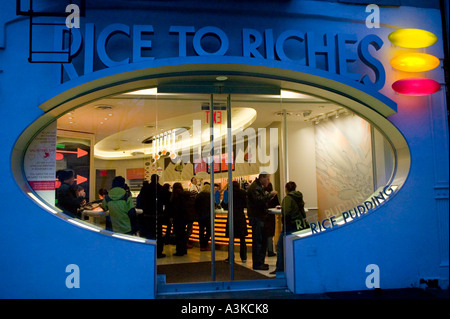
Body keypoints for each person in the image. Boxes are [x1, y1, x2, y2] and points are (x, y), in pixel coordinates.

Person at [271, 181, 309, 274]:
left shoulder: (287, 199)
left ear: (286, 189)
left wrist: (284, 223)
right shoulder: (299, 197)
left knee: (280, 246)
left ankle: (280, 269)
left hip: (290, 226)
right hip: (300, 225)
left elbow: (286, 213)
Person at [246, 173, 277, 270]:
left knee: (262, 241)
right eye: (267, 179)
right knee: (259, 241)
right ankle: (258, 264)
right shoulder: (255, 188)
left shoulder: (257, 187)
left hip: (259, 217)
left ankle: (260, 262)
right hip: (257, 217)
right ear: (262, 178)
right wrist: (270, 195)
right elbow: (259, 201)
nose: (268, 181)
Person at [136, 174, 170, 258]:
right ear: (158, 179)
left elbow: (141, 200)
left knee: (148, 234)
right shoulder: (161, 189)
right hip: (158, 215)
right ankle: (159, 252)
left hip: (147, 215)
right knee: (158, 234)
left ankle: (148, 251)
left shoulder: (145, 189)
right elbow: (166, 202)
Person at [167, 182, 193, 256]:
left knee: (178, 235)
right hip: (184, 217)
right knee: (183, 234)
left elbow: (173, 208)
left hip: (177, 218)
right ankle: (183, 249)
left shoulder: (174, 196)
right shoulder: (185, 195)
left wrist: (171, 216)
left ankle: (179, 251)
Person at [225, 181, 248, 263]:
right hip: (240, 217)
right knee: (242, 239)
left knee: (231, 239)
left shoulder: (228, 193)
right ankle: (244, 257)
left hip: (231, 216)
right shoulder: (242, 192)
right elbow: (246, 204)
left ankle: (230, 257)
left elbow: (224, 205)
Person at [194, 183, 211, 251]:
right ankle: (205, 244)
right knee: (209, 231)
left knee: (201, 230)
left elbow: (195, 205)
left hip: (200, 215)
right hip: (207, 215)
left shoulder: (198, 195)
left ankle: (202, 246)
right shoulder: (209, 196)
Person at [265, 182, 279, 257]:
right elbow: (277, 204)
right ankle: (270, 251)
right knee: (270, 234)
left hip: (264, 215)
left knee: (265, 233)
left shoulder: (263, 194)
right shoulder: (274, 195)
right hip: (271, 216)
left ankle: (266, 250)